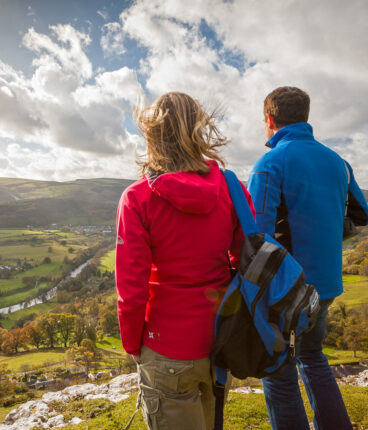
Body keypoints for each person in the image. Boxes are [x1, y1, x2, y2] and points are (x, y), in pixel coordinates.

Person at [115, 92, 255, 430]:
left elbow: (131, 291)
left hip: (165, 346)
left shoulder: (137, 198)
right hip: (220, 340)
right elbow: (247, 261)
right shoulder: (231, 187)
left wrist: (133, 344)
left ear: (152, 134)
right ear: (199, 130)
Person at [247, 86, 368, 429]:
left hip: (285, 286)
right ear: (305, 117)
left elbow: (256, 236)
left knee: (276, 365)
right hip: (326, 284)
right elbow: (363, 216)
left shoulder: (270, 163)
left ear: (269, 120)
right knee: (313, 357)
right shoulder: (338, 162)